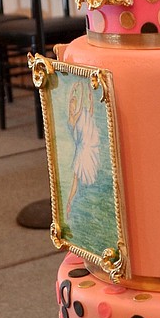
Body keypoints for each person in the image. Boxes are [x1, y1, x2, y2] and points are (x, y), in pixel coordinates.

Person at [64, 80, 100, 216]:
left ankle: (76, 202)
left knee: (83, 177)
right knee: (77, 178)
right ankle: (70, 202)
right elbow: (82, 110)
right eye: (72, 103)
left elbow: (89, 112)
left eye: (74, 102)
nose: (73, 104)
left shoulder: (82, 114)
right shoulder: (72, 118)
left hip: (87, 147)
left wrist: (89, 94)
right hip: (82, 149)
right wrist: (81, 90)